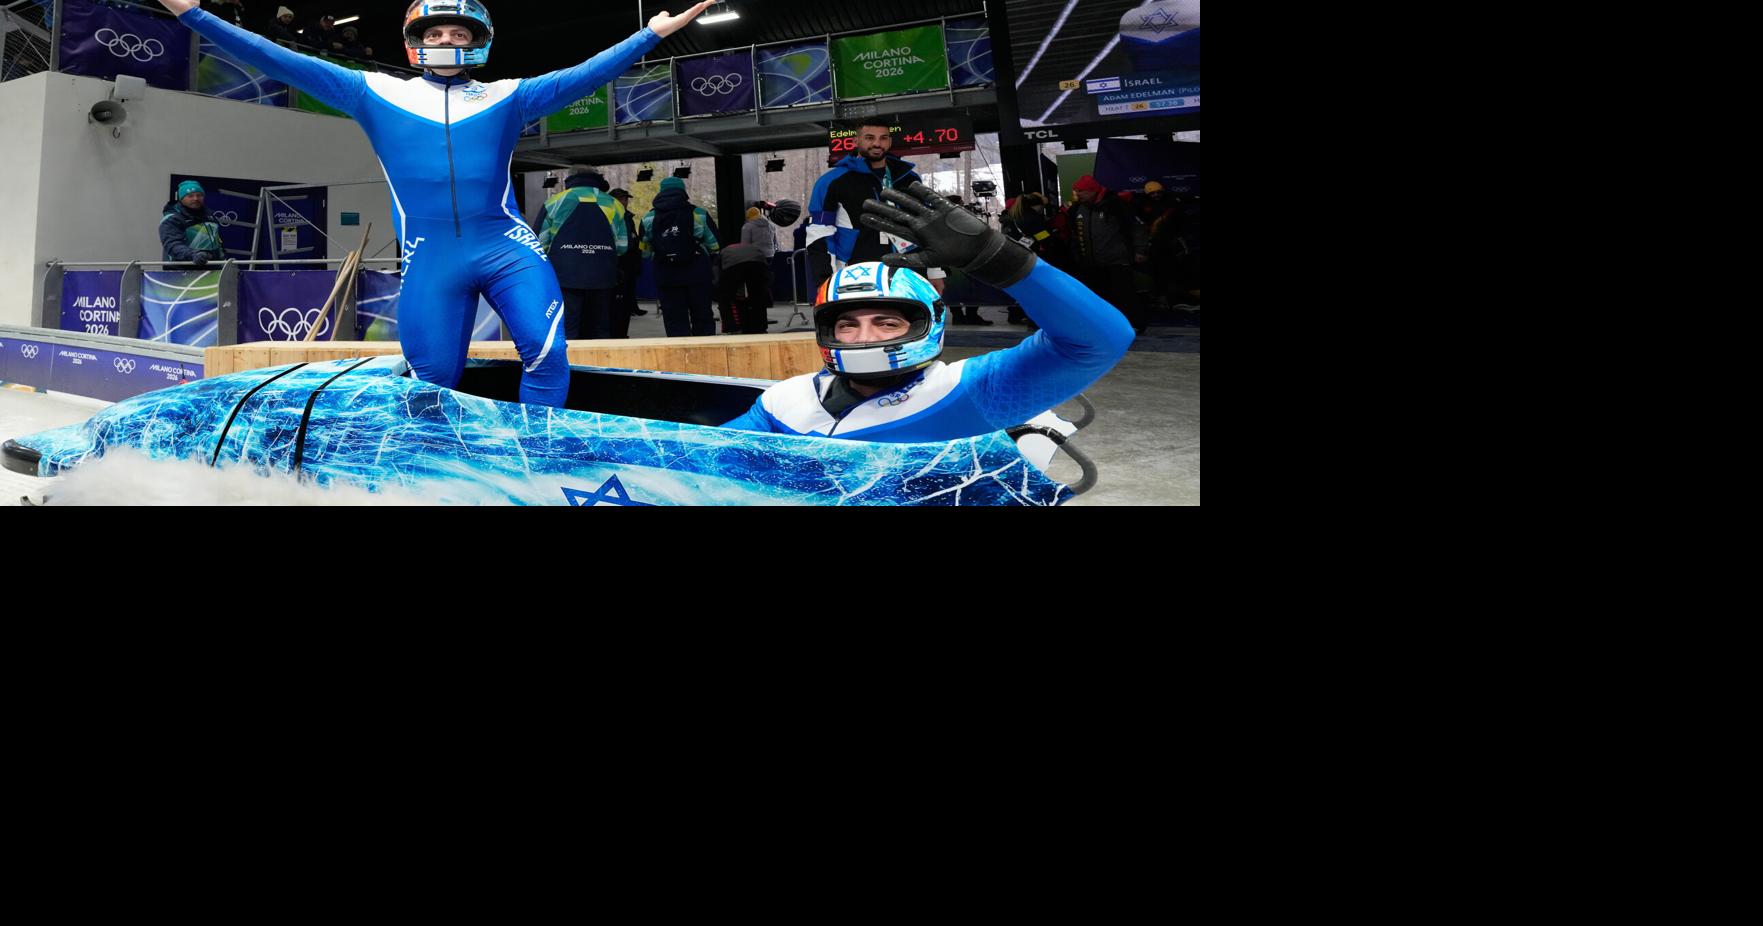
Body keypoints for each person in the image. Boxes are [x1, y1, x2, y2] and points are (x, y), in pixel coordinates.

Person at [153, 0, 713, 408]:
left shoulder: (509, 95)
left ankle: (536, 462)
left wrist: (649, 34)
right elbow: (276, 59)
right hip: (429, 259)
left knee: (546, 356)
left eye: (458, 31)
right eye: (436, 31)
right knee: (432, 382)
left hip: (507, 247)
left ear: (479, 40)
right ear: (415, 40)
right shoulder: (370, 91)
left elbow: (584, 76)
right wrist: (192, 14)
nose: (447, 39)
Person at [721, 181, 1134, 442]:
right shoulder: (784, 400)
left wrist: (1000, 260)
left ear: (927, 323)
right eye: (847, 323)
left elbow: (1100, 341)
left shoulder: (970, 391)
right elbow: (705, 459)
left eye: (887, 321)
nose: (864, 336)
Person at [804, 119, 946, 295]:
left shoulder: (909, 179)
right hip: (857, 272)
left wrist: (934, 272)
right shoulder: (831, 182)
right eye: (869, 138)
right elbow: (819, 233)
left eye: (883, 138)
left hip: (910, 270)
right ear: (856, 141)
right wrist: (826, 279)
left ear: (890, 142)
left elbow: (925, 226)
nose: (877, 143)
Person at [536, 166, 626, 340]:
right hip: (603, 276)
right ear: (597, 179)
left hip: (565, 276)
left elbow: (540, 243)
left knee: (568, 326)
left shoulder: (555, 201)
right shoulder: (614, 204)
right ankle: (600, 365)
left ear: (570, 179)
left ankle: (570, 366)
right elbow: (622, 246)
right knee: (600, 327)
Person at [1064, 174, 1147, 332]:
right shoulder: (1077, 209)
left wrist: (1139, 250)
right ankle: (1103, 326)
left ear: (1092, 190)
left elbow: (1138, 228)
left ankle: (1134, 324)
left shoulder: (1116, 205)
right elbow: (1074, 234)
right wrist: (1076, 255)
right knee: (1097, 297)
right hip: (1091, 263)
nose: (1077, 194)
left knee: (1124, 295)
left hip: (1117, 261)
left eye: (1081, 191)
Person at [639, 176, 720, 337]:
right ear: (683, 191)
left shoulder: (648, 218)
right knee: (702, 314)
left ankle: (679, 356)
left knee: (674, 318)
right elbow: (715, 245)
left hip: (666, 273)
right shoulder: (699, 214)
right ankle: (705, 352)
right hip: (697, 272)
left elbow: (645, 250)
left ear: (661, 192)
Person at [160, 181, 225, 268]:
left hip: (211, 270)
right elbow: (172, 245)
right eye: (190, 196)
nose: (195, 198)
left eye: (199, 195)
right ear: (181, 198)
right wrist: (193, 255)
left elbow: (217, 243)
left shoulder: (210, 216)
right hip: (180, 273)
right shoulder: (172, 219)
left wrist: (223, 260)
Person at [608, 187, 645, 324]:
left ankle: (631, 310)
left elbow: (634, 238)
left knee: (628, 293)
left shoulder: (628, 217)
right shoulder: (610, 215)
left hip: (630, 262)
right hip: (617, 263)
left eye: (626, 199)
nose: (624, 202)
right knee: (617, 300)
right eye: (621, 199)